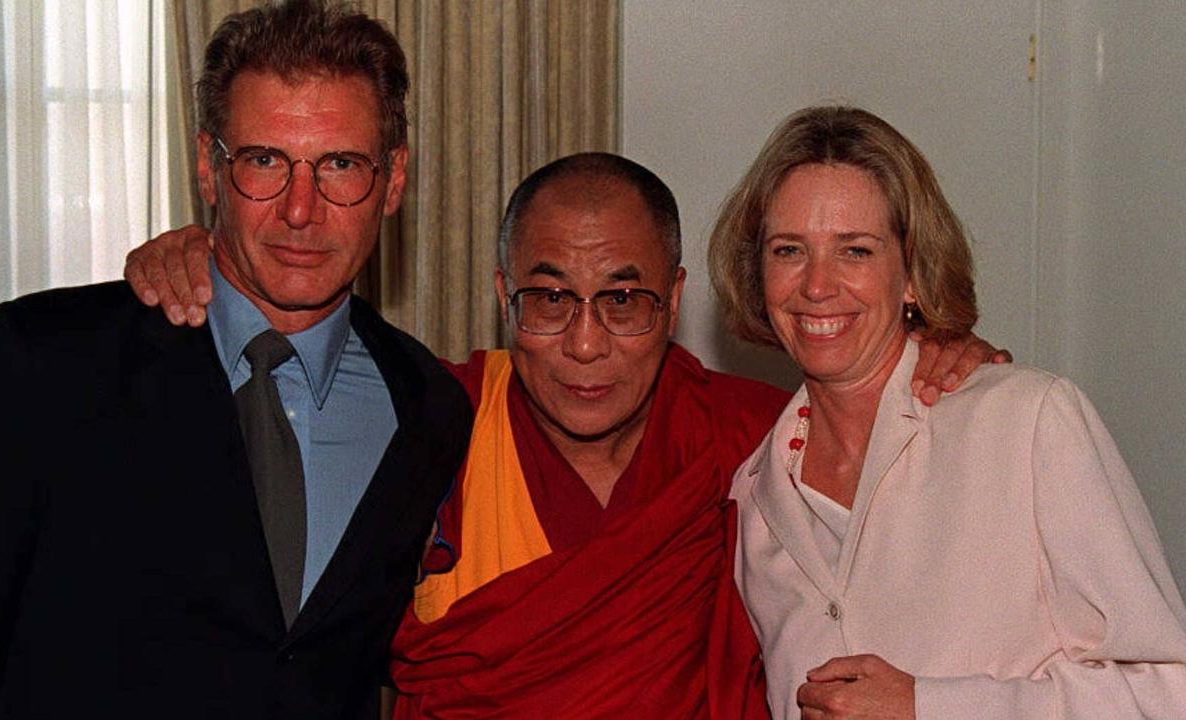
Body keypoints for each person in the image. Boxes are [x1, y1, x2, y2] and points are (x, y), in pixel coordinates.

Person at [125, 151, 1006, 717]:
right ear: (505, 295)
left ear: (676, 298)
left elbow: (896, 453)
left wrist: (944, 359)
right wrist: (208, 271)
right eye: (549, 300)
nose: (587, 345)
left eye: (624, 300)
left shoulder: (756, 434)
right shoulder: (426, 421)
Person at [0, 3, 471, 719]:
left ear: (393, 182)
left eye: (340, 165)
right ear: (209, 167)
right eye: (265, 161)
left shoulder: (428, 406)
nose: (302, 209)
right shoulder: (45, 363)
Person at [712, 105, 1186, 720]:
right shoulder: (753, 494)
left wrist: (929, 706)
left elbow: (1169, 694)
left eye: (855, 251)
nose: (817, 285)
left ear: (911, 274)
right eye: (788, 250)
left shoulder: (1027, 422)